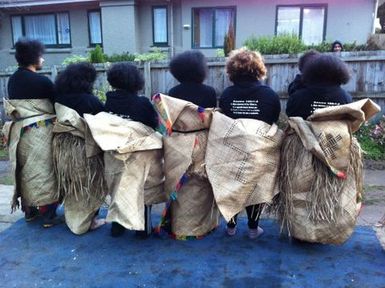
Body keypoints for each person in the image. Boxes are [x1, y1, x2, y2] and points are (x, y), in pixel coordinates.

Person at [219, 47, 281, 238]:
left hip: (233, 148)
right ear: (258, 69)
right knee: (256, 186)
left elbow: (224, 119)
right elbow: (273, 119)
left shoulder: (227, 95)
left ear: (232, 70)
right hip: (259, 148)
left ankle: (231, 227)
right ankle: (253, 228)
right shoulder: (269, 94)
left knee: (232, 185)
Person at [5, 38, 59, 228]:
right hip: (40, 132)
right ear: (34, 58)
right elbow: (56, 104)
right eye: (41, 56)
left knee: (26, 171)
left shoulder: (12, 81)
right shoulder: (42, 81)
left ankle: (30, 211)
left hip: (20, 134)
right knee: (46, 171)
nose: (43, 60)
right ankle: (49, 215)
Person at [105, 63, 159, 237]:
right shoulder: (142, 103)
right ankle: (142, 229)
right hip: (138, 155)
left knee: (116, 188)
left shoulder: (108, 101)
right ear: (136, 80)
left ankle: (117, 226)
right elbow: (153, 125)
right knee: (141, 189)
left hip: (114, 153)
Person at [53, 62, 106, 235]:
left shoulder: (59, 98)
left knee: (71, 184)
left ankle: (74, 217)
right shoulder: (91, 101)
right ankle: (88, 221)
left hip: (63, 148)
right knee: (89, 184)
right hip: (83, 149)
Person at [286, 54, 352, 119]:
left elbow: (291, 115)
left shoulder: (297, 98)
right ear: (340, 72)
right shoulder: (346, 98)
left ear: (310, 71)